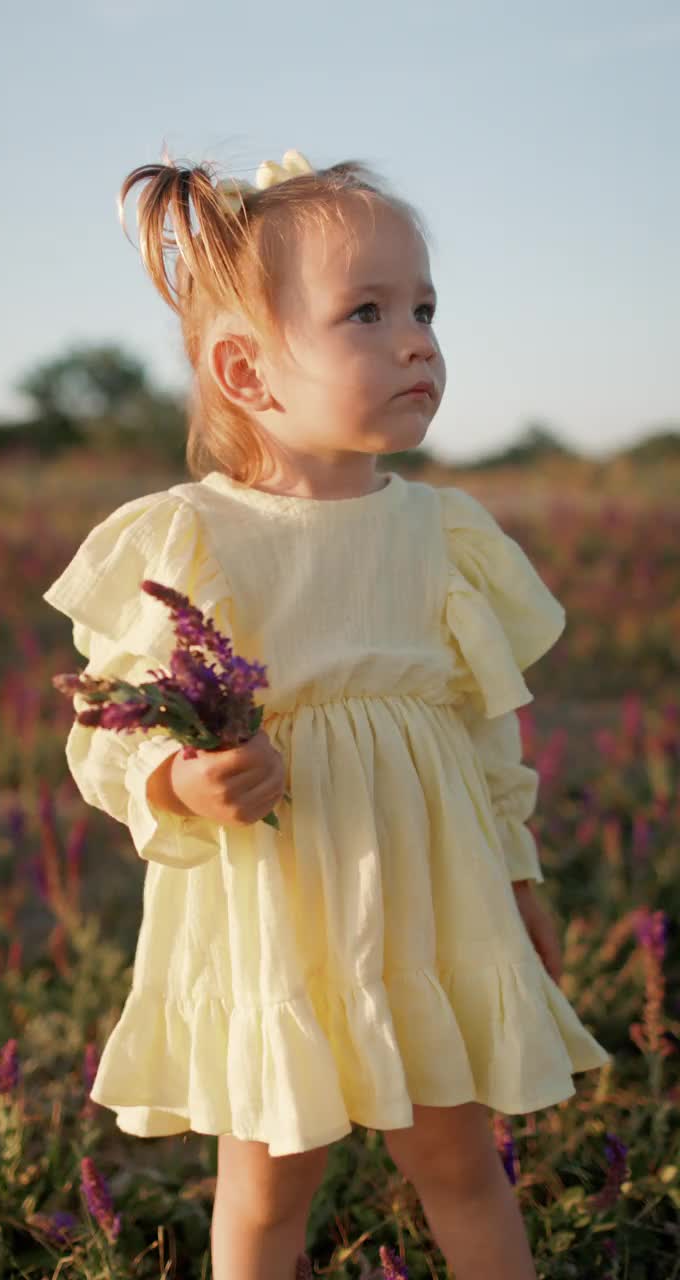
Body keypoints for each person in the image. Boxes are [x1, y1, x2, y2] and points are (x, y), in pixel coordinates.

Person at [42, 147, 612, 1280]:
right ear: (247, 371)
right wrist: (181, 778)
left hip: (430, 899)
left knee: (460, 1158)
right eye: (368, 311)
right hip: (278, 908)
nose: (418, 340)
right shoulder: (191, 538)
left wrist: (515, 878)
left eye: (425, 308)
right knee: (266, 1179)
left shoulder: (441, 532)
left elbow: (479, 732)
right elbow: (110, 725)